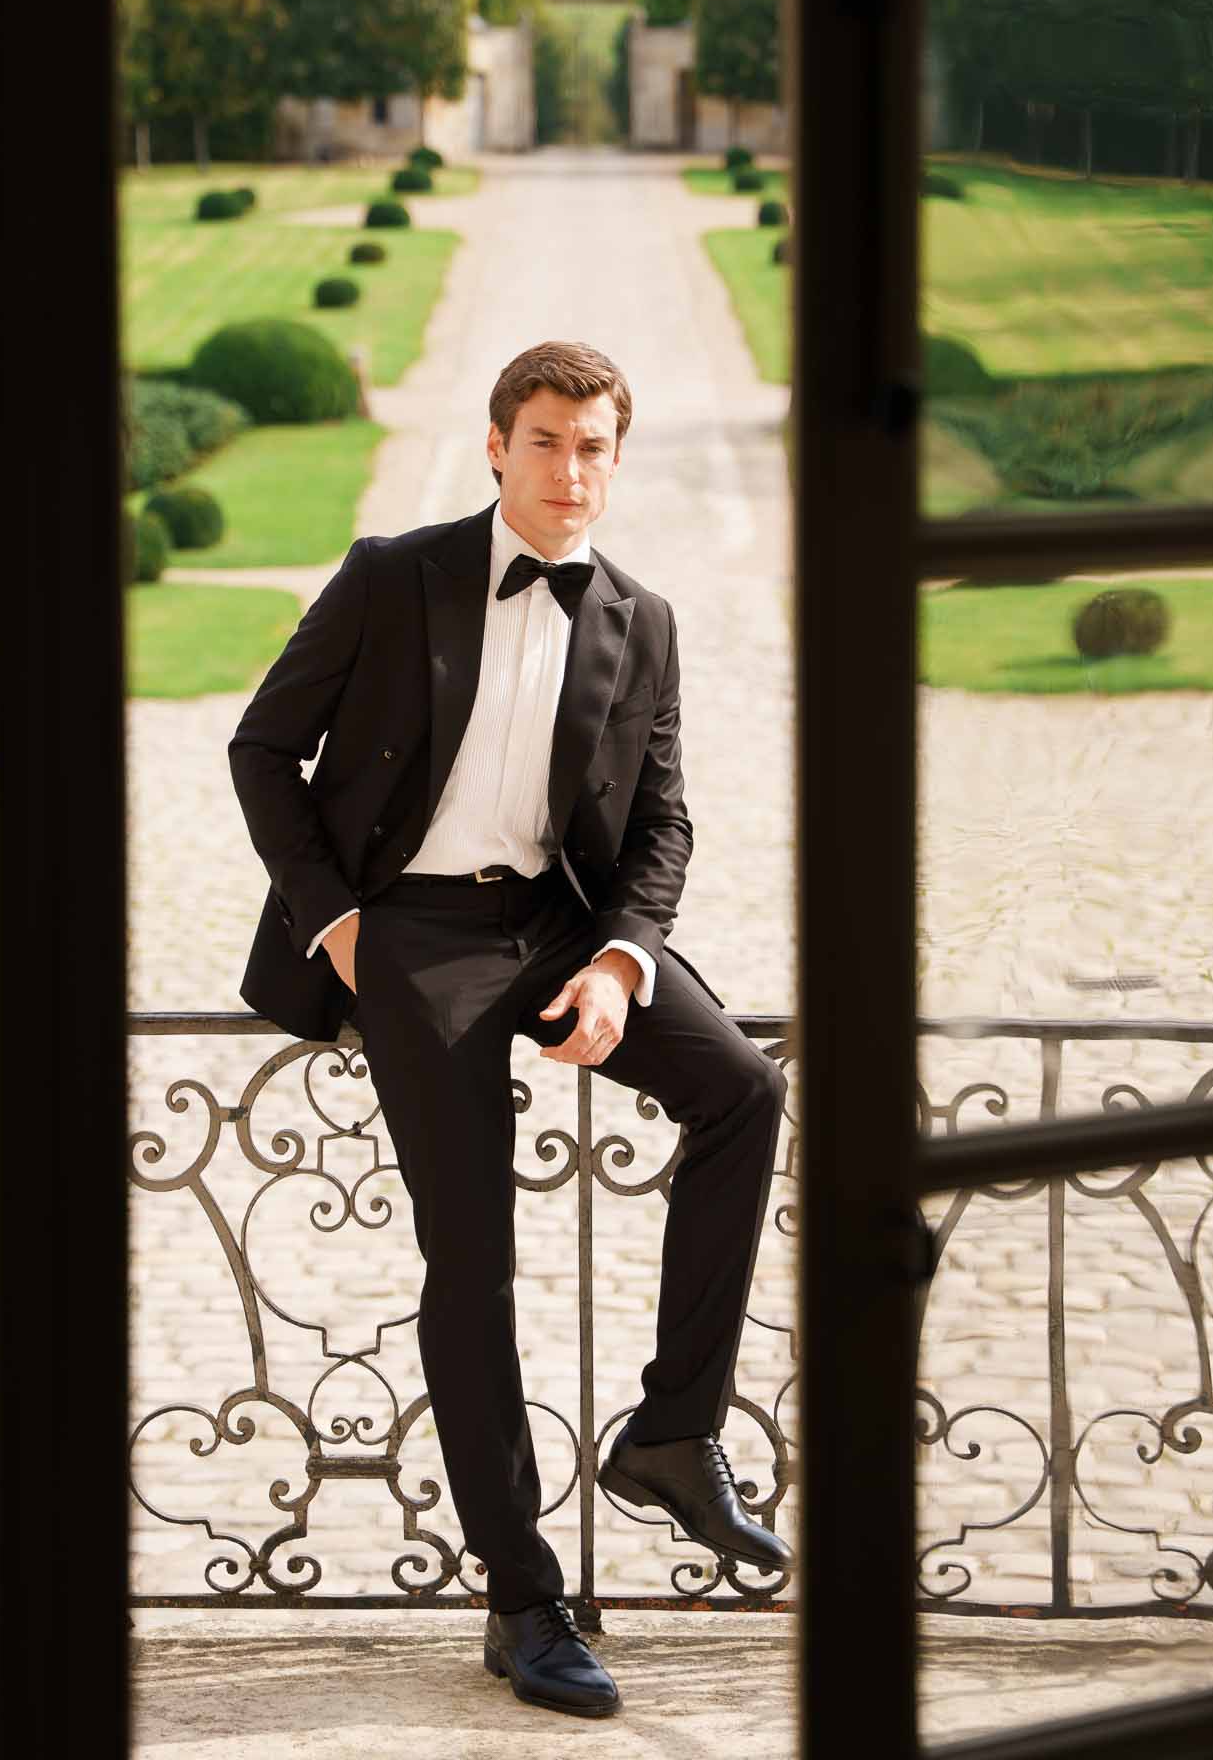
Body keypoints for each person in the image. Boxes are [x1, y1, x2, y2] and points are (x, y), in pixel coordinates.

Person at [229, 338, 793, 1719]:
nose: (570, 469)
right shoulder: (392, 574)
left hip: (553, 924)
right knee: (471, 1253)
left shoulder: (640, 619)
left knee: (744, 1093)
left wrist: (617, 963)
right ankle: (521, 1595)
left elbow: (661, 823)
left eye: (595, 443)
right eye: (545, 440)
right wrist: (336, 924)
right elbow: (261, 748)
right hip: (408, 932)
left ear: (615, 457)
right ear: (496, 447)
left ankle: (669, 1437)